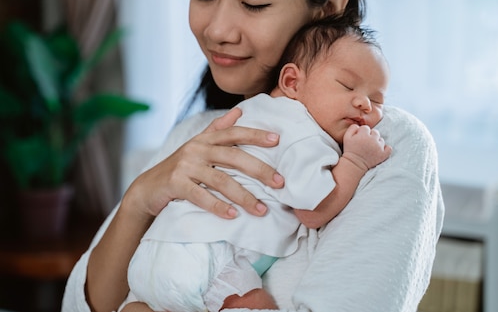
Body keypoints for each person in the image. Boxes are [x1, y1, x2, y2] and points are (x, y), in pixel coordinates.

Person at [62, 0, 444, 311]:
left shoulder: (384, 147)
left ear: (329, 7)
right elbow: (83, 305)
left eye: (254, 3)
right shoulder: (196, 135)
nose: (218, 29)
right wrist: (140, 197)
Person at [120, 19, 392, 312]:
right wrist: (356, 160)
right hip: (213, 259)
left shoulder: (253, 110)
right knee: (256, 305)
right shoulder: (304, 134)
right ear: (292, 82)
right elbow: (313, 212)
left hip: (156, 248)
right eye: (347, 86)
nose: (364, 104)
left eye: (377, 101)